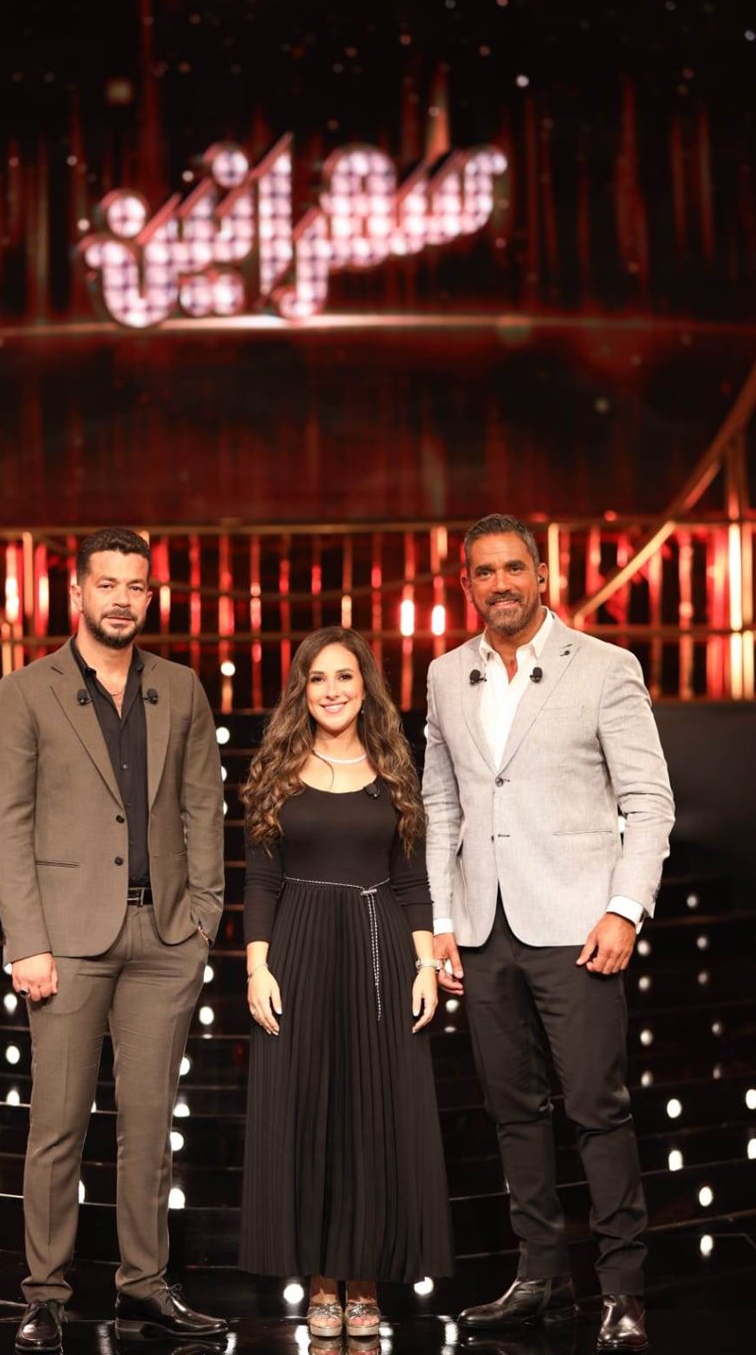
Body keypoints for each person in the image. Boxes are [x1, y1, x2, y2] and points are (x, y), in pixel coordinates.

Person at [423, 514, 674, 1353]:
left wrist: (624, 908)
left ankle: (622, 1292)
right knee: (511, 1110)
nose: (499, 584)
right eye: (482, 572)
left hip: (577, 927)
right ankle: (538, 1278)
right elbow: (440, 805)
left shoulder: (604, 666)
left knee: (597, 1110)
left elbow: (648, 801)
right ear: (465, 584)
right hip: (483, 928)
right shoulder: (445, 674)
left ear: (541, 575)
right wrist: (442, 921)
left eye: (512, 568)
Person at [0, 527, 228, 1352]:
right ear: (77, 593)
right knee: (57, 1127)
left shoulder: (179, 687)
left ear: (149, 596)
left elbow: (202, 806)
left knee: (148, 1128)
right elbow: (9, 825)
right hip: (66, 941)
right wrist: (27, 941)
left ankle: (144, 1286)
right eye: (108, 584)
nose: (122, 599)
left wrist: (202, 919)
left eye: (136, 586)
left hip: (165, 938)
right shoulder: (27, 691)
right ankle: (44, 1295)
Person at [239, 627, 452, 1339]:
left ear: (366, 687)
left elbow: (411, 879)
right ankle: (320, 1285)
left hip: (378, 949)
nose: (331, 690)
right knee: (306, 1118)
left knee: (372, 1119)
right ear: (301, 690)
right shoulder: (276, 767)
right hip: (297, 948)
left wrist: (425, 965)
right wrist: (257, 967)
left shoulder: (394, 766)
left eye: (345, 677)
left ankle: (363, 1283)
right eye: (318, 678)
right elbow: (261, 879)